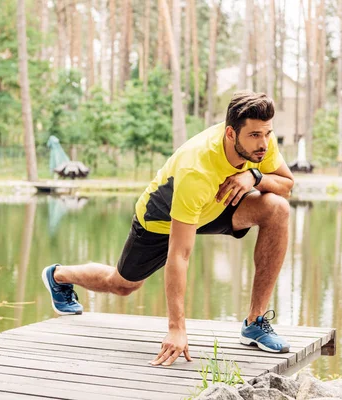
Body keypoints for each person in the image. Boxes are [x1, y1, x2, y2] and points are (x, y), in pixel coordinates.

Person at [41, 91, 294, 367]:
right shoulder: (196, 168)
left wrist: (255, 176)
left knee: (277, 209)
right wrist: (176, 327)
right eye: (255, 135)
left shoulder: (261, 144)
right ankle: (59, 276)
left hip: (217, 204)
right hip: (160, 220)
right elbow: (180, 254)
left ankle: (255, 322)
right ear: (231, 134)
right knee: (123, 284)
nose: (264, 143)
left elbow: (286, 185)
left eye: (267, 134)